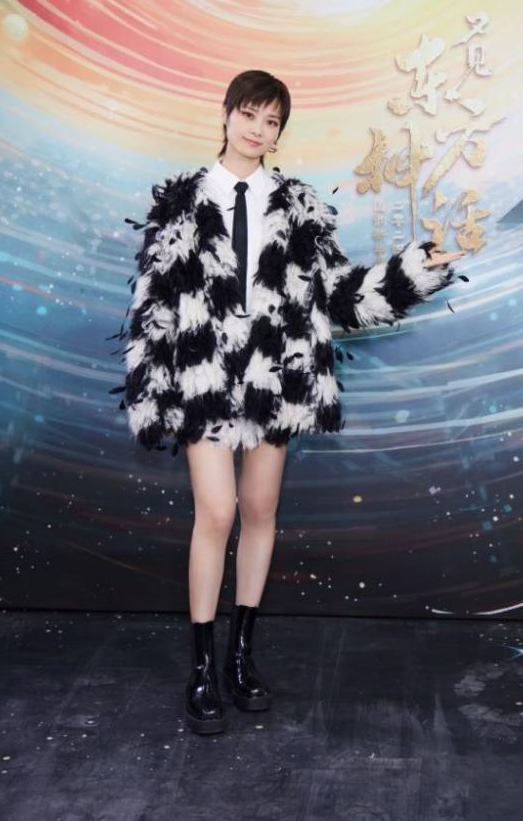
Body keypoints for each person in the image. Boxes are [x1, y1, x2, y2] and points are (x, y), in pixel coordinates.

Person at [113, 69, 464, 734]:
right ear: (226, 114)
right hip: (203, 376)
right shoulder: (182, 202)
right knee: (216, 511)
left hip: (274, 376)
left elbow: (341, 297)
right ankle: (201, 667)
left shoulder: (298, 205)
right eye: (249, 114)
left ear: (279, 133)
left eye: (271, 121)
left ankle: (241, 654)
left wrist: (416, 269)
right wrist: (152, 394)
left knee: (260, 510)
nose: (257, 129)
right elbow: (152, 307)